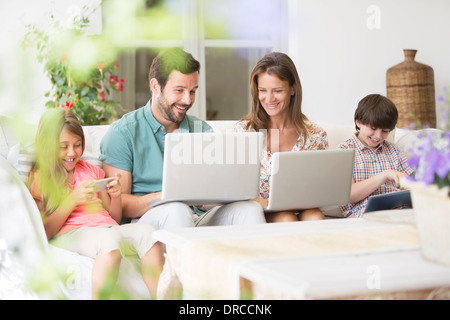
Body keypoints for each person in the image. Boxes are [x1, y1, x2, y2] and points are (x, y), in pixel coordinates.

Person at [100, 47, 266, 229]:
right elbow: (118, 203)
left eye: (192, 91)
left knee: (250, 210)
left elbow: (214, 190)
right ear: (155, 86)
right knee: (176, 209)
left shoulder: (201, 130)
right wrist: (166, 196)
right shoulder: (123, 133)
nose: (187, 100)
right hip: (147, 219)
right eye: (179, 90)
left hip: (197, 216)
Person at [28, 108, 164, 299]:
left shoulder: (91, 171)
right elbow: (45, 231)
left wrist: (115, 196)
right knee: (110, 240)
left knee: (149, 233)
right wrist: (73, 199)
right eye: (63, 146)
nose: (72, 153)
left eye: (77, 145)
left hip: (106, 228)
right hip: (73, 233)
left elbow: (114, 218)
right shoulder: (42, 177)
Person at [233, 52, 328, 222]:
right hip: (260, 209)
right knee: (286, 218)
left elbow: (320, 187)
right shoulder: (244, 132)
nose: (269, 99)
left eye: (277, 91)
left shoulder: (316, 136)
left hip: (302, 207)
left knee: (315, 216)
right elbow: (232, 188)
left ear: (293, 89)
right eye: (262, 90)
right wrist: (268, 203)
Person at [338, 94, 415, 217]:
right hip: (365, 214)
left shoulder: (393, 151)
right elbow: (349, 195)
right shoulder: (344, 152)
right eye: (373, 128)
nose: (378, 136)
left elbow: (413, 182)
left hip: (400, 210)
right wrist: (384, 175)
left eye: (385, 131)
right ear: (358, 122)